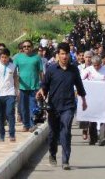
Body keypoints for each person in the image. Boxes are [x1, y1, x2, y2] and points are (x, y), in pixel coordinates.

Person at [37, 42, 87, 170]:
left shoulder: (74, 70)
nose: (65, 56)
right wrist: (42, 92)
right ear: (58, 55)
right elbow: (45, 85)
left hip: (68, 106)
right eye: (62, 54)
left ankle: (65, 160)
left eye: (67, 54)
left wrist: (84, 100)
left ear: (70, 55)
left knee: (65, 131)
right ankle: (52, 154)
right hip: (53, 106)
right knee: (53, 133)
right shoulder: (51, 69)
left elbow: (79, 86)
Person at [81, 55, 105, 146]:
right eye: (94, 65)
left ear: (101, 63)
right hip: (91, 97)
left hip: (104, 97)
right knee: (92, 118)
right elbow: (80, 80)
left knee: (103, 117)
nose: (96, 67)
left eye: (98, 65)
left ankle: (102, 138)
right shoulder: (88, 70)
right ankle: (93, 138)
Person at [13, 40, 43, 133]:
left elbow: (41, 72)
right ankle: (26, 125)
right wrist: (14, 85)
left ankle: (32, 124)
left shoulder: (37, 58)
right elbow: (13, 71)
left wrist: (43, 86)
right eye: (24, 46)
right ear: (22, 48)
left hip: (34, 86)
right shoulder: (18, 57)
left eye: (28, 46)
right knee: (23, 107)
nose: (26, 48)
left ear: (32, 47)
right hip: (22, 87)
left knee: (32, 106)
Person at [0, 48, 19, 142]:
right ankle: (1, 134)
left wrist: (17, 90)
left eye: (6, 57)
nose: (4, 59)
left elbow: (15, 79)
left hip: (10, 93)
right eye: (2, 57)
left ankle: (12, 134)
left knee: (10, 113)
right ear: (0, 57)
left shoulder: (13, 66)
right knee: (0, 115)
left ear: (8, 57)